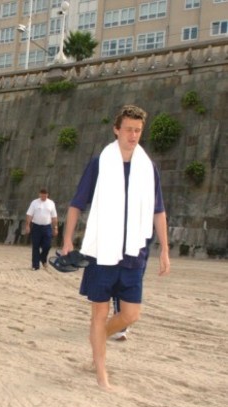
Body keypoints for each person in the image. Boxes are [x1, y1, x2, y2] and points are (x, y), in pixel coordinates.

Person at [61, 104, 170, 390]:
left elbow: (159, 210)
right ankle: (101, 373)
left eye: (138, 130)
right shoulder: (100, 163)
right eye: (129, 130)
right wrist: (67, 239)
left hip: (134, 252)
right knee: (99, 313)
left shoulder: (148, 168)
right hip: (101, 252)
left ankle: (97, 339)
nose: (133, 135)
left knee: (131, 315)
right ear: (116, 130)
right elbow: (76, 203)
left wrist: (166, 250)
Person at [25, 189, 58, 270]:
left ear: (47, 195)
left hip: (47, 227)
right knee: (35, 246)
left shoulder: (51, 203)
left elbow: (54, 217)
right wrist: (27, 225)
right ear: (39, 195)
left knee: (47, 245)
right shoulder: (34, 203)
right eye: (42, 195)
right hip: (36, 227)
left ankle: (42, 258)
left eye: (45, 195)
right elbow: (29, 215)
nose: (43, 197)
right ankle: (35, 265)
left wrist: (55, 228)